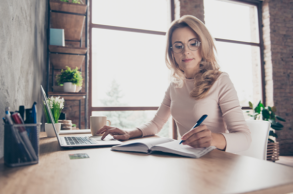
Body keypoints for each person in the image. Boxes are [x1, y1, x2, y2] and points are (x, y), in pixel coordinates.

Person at [97, 15, 251, 153]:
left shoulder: (221, 81)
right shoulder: (175, 84)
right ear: (172, 52)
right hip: (186, 158)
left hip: (217, 161)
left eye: (193, 43)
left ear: (203, 45)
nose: (186, 51)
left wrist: (213, 139)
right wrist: (129, 133)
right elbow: (156, 123)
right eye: (179, 46)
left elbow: (245, 139)